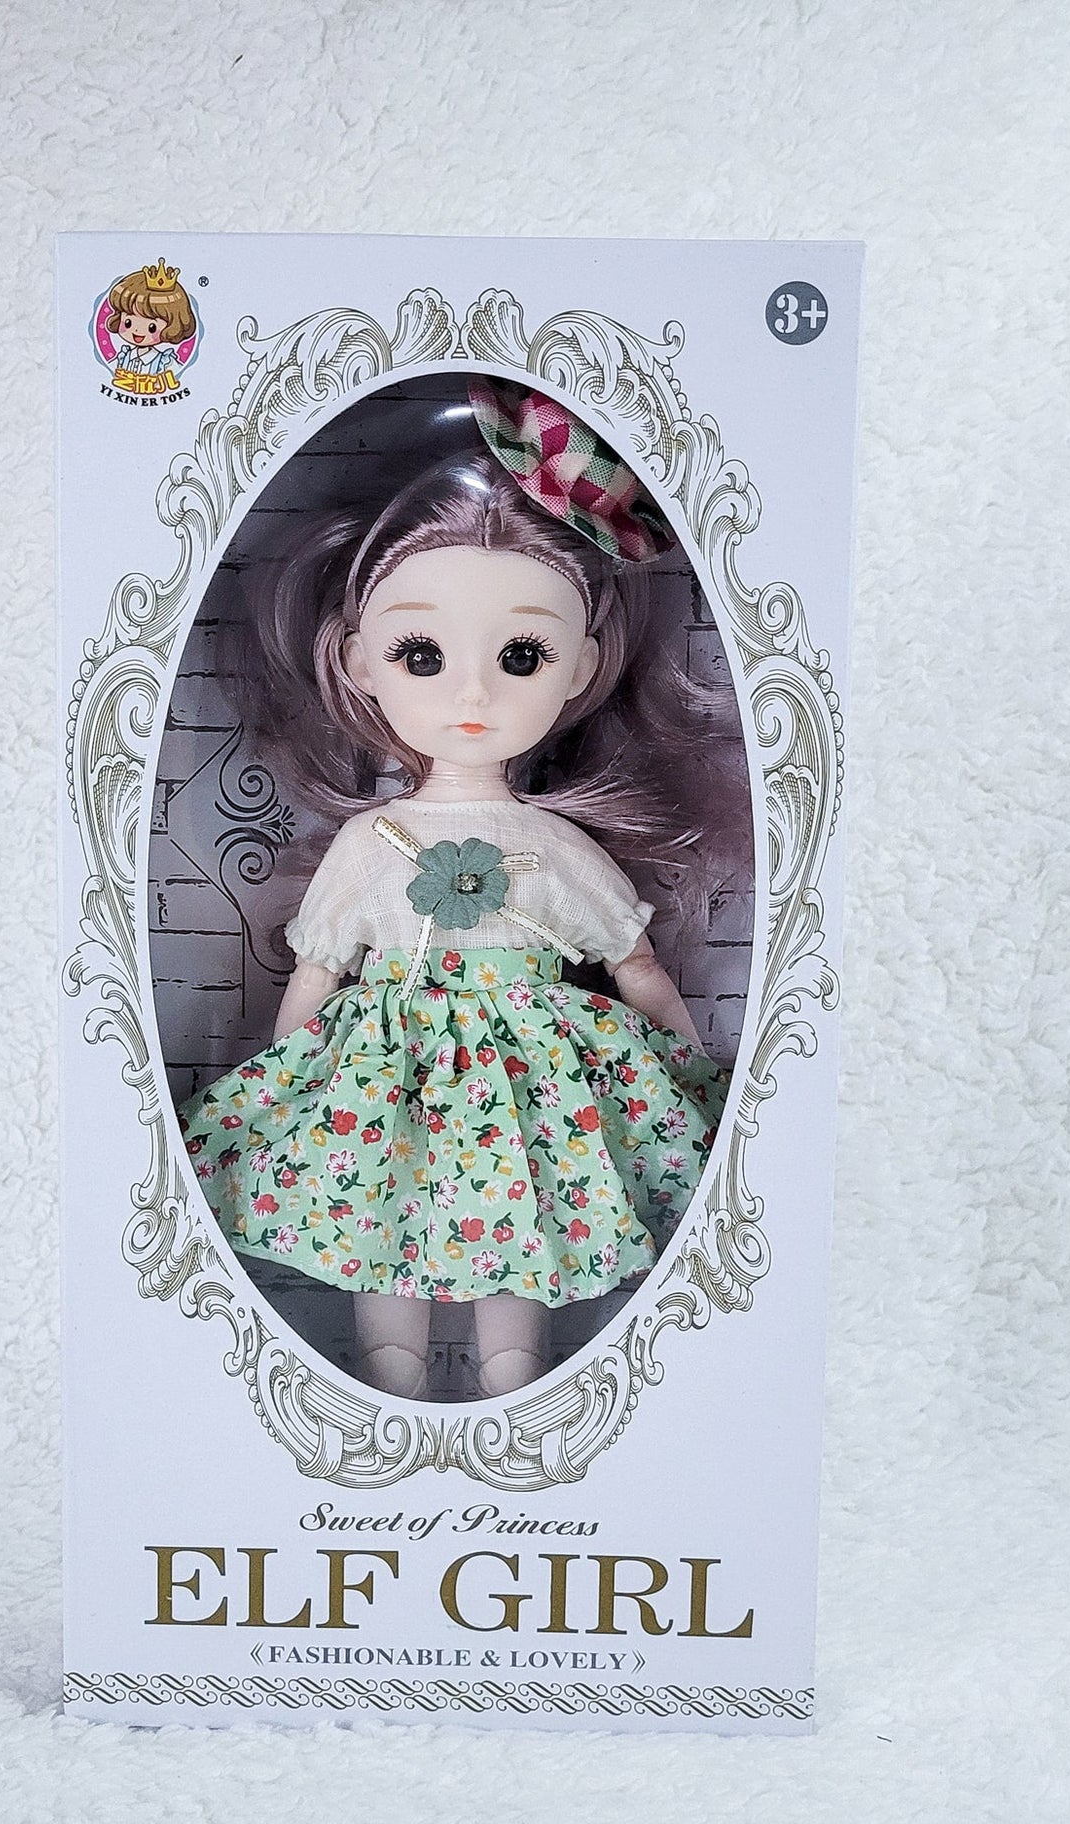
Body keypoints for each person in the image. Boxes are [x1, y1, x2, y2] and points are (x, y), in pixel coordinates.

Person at [179, 381, 744, 1401]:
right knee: (377, 1207)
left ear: (581, 667)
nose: (473, 692)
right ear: (359, 661)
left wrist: (690, 1066)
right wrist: (281, 1079)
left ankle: (512, 1384)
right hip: (385, 1073)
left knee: (517, 1215)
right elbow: (316, 969)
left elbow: (634, 964)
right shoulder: (373, 842)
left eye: (521, 655)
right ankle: (397, 1381)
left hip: (526, 1079)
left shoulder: (550, 843)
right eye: (421, 655)